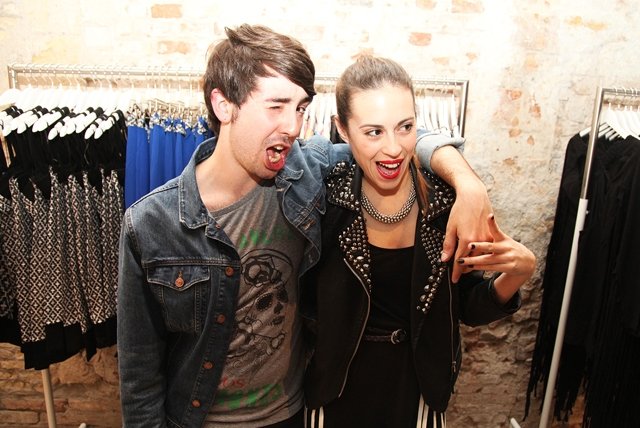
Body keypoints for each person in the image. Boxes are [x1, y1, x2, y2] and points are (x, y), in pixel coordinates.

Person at [117, 25, 494, 427]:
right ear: (224, 105)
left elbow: (398, 139)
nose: (294, 127)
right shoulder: (151, 224)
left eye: (300, 108)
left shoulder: (306, 173)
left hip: (292, 413)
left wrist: (469, 184)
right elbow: (139, 374)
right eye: (277, 106)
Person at [300, 56, 536, 428]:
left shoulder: (446, 204)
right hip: (336, 392)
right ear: (342, 129)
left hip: (416, 392)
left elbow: (467, 307)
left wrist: (517, 274)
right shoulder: (323, 201)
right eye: (374, 132)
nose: (393, 148)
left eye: (405, 127)